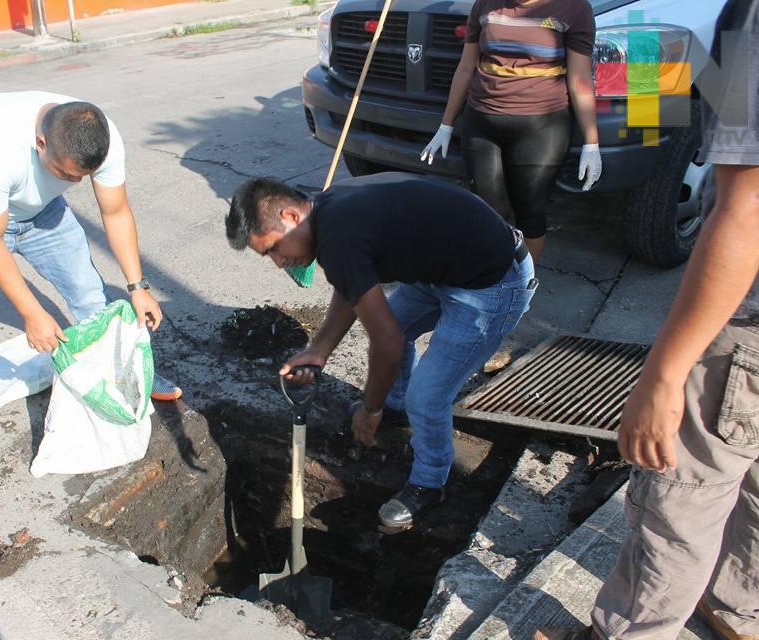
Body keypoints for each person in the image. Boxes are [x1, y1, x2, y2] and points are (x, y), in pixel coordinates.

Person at [536, 1, 759, 638]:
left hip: (749, 324)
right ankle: (739, 606)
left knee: (678, 499)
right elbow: (715, 96)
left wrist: (663, 376)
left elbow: (746, 212)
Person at [225, 172, 538, 527]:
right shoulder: (327, 210)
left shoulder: (338, 234)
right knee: (400, 336)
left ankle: (430, 481)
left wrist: (369, 409)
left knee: (428, 396)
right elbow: (351, 283)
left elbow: (386, 344)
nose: (279, 263)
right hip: (444, 271)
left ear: (291, 217)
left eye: (274, 249)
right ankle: (396, 403)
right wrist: (320, 350)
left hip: (492, 284)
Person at [0, 91, 182, 498]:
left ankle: (129, 380)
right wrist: (31, 312)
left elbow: (115, 212)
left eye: (82, 177)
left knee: (91, 298)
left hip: (43, 213)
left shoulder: (102, 137)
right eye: (67, 175)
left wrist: (138, 287)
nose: (76, 183)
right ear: (41, 143)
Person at [421, 0, 601, 261]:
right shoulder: (485, 5)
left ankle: (522, 292)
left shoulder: (574, 8)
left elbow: (580, 81)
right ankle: (493, 286)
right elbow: (465, 67)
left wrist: (591, 143)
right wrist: (446, 125)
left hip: (542, 126)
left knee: (530, 212)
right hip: (481, 122)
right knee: (486, 211)